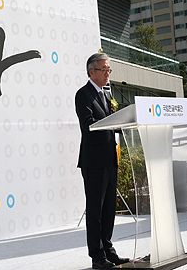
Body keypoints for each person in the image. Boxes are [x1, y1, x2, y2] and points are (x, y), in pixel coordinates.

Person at [75, 53, 129, 269]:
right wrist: (112, 122)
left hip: (110, 159)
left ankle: (108, 250)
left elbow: (110, 122)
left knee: (108, 209)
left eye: (109, 70)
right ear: (91, 72)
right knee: (96, 210)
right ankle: (97, 257)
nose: (107, 74)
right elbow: (88, 126)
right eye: (104, 70)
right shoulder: (84, 95)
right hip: (94, 161)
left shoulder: (107, 95)